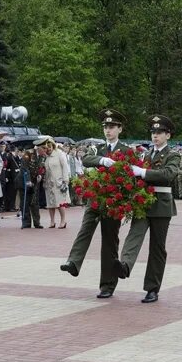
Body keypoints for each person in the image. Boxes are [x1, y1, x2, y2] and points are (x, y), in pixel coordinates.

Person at [60, 109, 128, 299]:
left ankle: (107, 285)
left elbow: (129, 171)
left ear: (120, 129)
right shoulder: (98, 148)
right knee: (85, 228)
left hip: (114, 201)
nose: (108, 130)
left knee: (109, 242)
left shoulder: (126, 150)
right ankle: (74, 262)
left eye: (112, 127)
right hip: (96, 197)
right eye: (106, 127)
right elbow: (87, 159)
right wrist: (102, 160)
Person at [114, 114, 181, 303]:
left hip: (161, 204)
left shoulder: (172, 155)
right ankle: (125, 265)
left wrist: (143, 172)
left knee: (157, 248)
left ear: (168, 135)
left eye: (159, 132)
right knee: (135, 233)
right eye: (153, 132)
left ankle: (152, 288)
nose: (155, 136)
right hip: (143, 201)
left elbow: (169, 174)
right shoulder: (144, 155)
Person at [40, 139, 70, 228]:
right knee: (50, 203)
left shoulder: (60, 154)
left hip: (59, 182)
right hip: (48, 182)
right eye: (46, 148)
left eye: (49, 147)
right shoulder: (46, 157)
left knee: (60, 203)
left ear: (53, 146)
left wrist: (65, 181)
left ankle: (63, 221)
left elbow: (65, 167)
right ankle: (52, 221)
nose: (48, 149)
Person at [17, 147, 44, 229]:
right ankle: (26, 222)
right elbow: (25, 168)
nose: (45, 150)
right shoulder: (28, 154)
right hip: (24, 181)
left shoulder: (42, 156)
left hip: (35, 181)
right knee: (25, 202)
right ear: (39, 148)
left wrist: (40, 175)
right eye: (44, 148)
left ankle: (37, 222)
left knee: (35, 202)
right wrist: (28, 181)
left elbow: (41, 168)